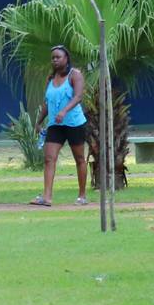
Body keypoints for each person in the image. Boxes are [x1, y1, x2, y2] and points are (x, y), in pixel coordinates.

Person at [30, 45, 88, 207]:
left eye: (58, 57)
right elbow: (47, 103)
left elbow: (78, 97)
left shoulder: (74, 75)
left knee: (79, 159)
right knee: (49, 158)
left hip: (74, 123)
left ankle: (82, 196)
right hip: (55, 124)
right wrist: (39, 121)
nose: (55, 60)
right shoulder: (51, 78)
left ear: (66, 58)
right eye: (53, 58)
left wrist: (64, 111)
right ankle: (47, 197)